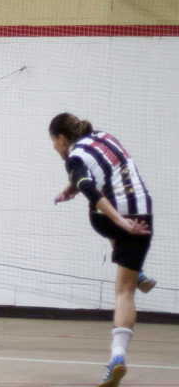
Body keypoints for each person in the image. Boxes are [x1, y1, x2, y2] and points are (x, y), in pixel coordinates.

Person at [49, 112, 157, 387]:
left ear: (62, 138)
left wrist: (119, 220)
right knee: (128, 290)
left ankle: (117, 360)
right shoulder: (105, 138)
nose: (55, 148)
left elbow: (88, 186)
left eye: (54, 142)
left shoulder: (74, 157)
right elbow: (100, 173)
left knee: (99, 211)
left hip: (116, 220)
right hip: (144, 214)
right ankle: (118, 356)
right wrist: (67, 190)